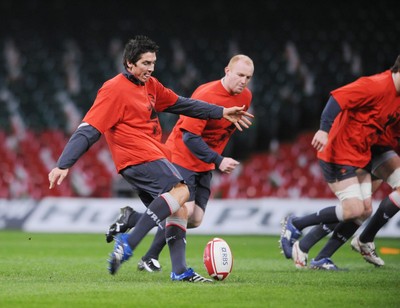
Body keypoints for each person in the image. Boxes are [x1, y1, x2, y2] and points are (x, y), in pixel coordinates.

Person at [48, 35, 254, 282]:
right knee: (181, 192)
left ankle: (178, 270)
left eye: (153, 63)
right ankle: (129, 242)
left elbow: (183, 104)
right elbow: (89, 129)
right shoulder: (113, 89)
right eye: (145, 63)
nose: (151, 68)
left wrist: (220, 111)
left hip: (152, 153)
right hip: (136, 156)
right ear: (129, 63)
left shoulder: (151, 85)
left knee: (177, 210)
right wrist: (64, 163)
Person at [105, 54, 254, 275]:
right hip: (182, 156)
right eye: (240, 75)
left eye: (248, 77)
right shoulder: (207, 94)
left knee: (195, 220)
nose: (243, 81)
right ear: (227, 71)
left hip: (205, 164)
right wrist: (219, 160)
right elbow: (190, 138)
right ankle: (153, 258)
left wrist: (214, 160)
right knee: (184, 210)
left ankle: (133, 219)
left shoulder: (246, 96)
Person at [279, 55, 400, 270]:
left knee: (363, 211)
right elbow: (337, 98)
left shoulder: (396, 97)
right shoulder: (375, 85)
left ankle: (315, 252)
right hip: (338, 151)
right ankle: (297, 223)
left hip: (362, 153)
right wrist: (324, 130)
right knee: (353, 209)